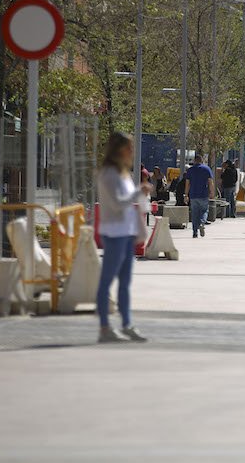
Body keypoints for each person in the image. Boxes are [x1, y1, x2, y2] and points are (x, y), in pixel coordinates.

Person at [95, 131, 151, 343]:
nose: (132, 152)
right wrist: (138, 192)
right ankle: (104, 328)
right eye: (129, 147)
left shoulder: (122, 173)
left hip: (126, 232)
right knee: (106, 281)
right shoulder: (108, 174)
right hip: (114, 233)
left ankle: (127, 324)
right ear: (119, 149)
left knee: (125, 282)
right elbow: (118, 203)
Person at [184, 155, 214, 238]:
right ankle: (202, 223)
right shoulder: (207, 169)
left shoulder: (190, 170)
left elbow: (187, 184)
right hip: (204, 194)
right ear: (202, 161)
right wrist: (211, 192)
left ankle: (195, 232)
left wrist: (186, 195)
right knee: (204, 211)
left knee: (194, 214)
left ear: (194, 161)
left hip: (193, 195)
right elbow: (211, 182)